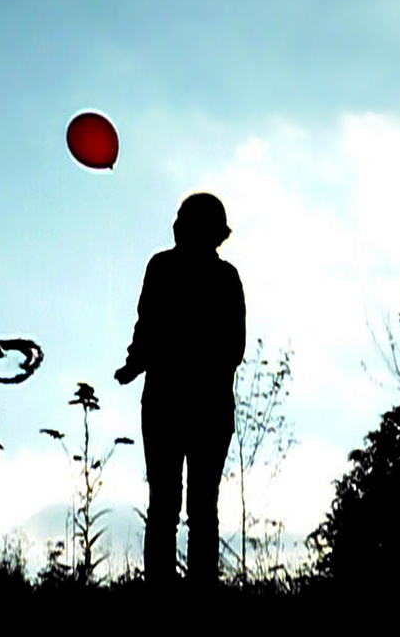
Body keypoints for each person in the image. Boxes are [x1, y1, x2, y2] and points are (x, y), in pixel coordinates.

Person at [115, 192, 246, 592]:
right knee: (187, 507)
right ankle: (184, 592)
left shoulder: (171, 270)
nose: (175, 225)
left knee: (178, 507)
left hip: (174, 403)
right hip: (195, 405)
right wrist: (136, 362)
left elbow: (151, 328)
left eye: (182, 219)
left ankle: (175, 593)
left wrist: (139, 362)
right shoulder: (212, 277)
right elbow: (148, 327)